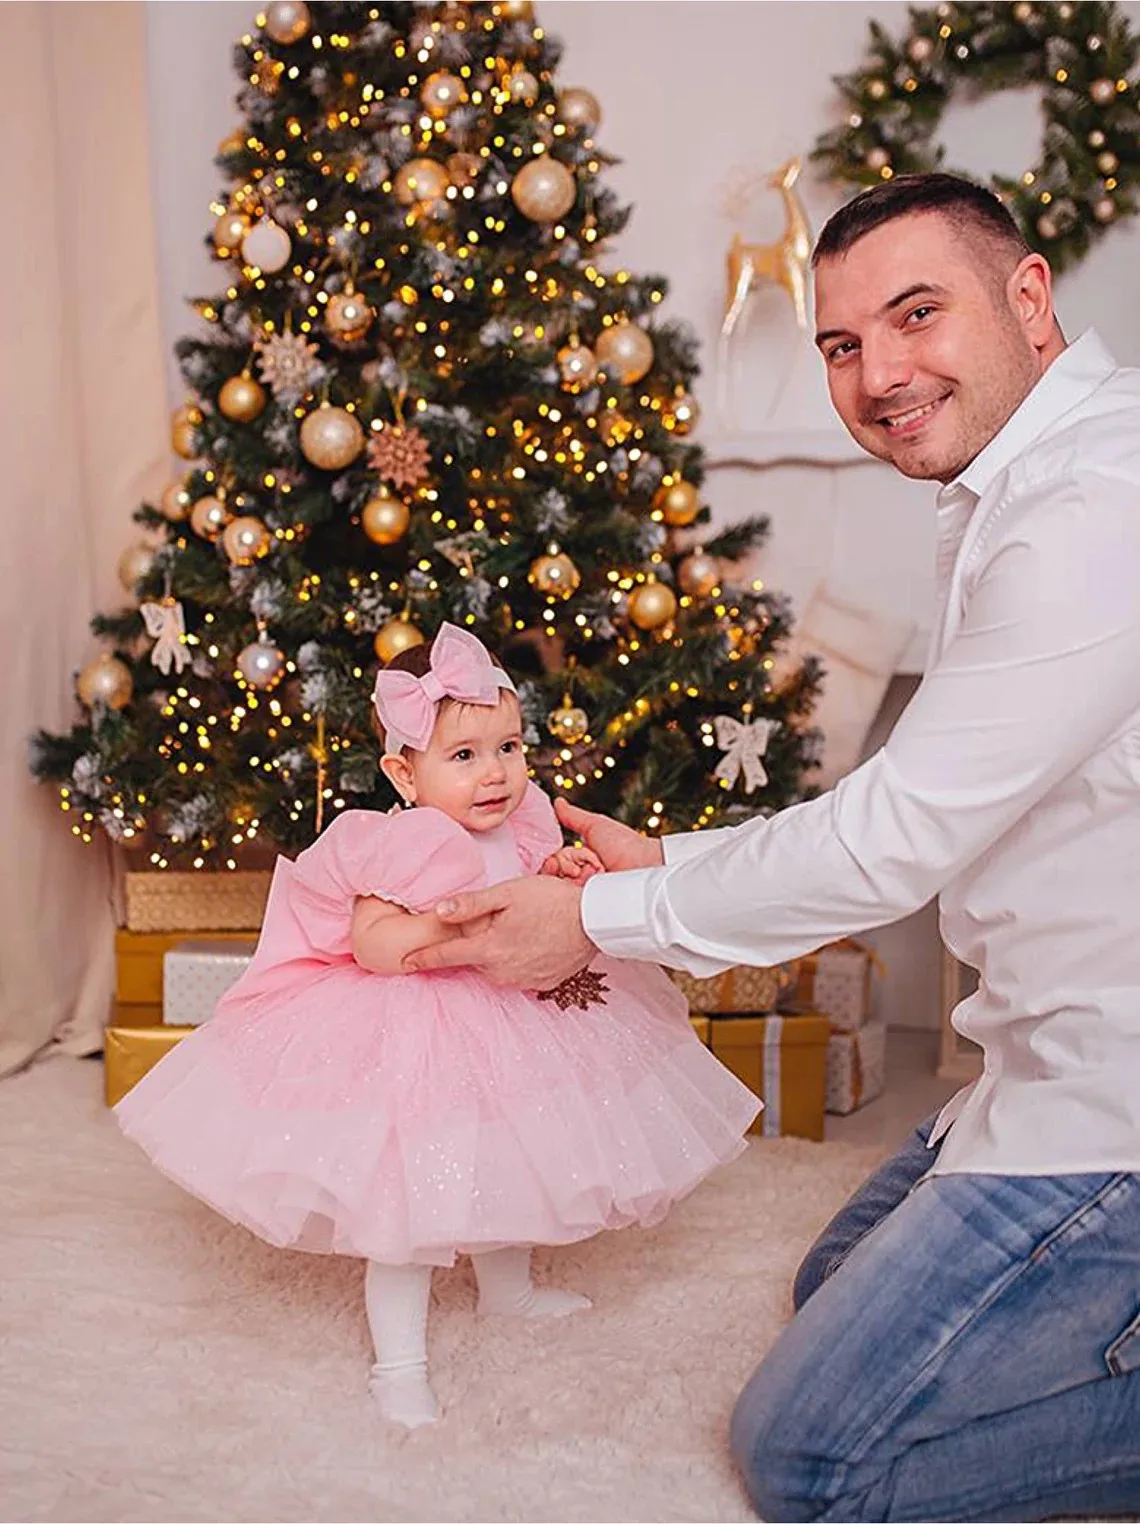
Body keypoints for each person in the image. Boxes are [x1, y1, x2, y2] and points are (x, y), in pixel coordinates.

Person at [404, 176, 1140, 1518]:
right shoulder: (1020, 481)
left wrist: (602, 919)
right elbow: (934, 802)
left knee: (819, 1459)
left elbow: (896, 837)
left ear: (1029, 301)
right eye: (844, 347)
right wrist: (665, 869)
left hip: (1118, 1104)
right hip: (1039, 1054)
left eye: (918, 317)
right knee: (825, 1294)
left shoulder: (1099, 506)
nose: (880, 376)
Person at [115, 622, 759, 1430]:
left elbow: (534, 903)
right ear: (403, 772)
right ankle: (400, 1362)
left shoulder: (523, 827)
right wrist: (449, 938)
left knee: (515, 1155)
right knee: (405, 1203)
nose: (494, 774)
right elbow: (373, 942)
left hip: (516, 1015)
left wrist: (561, 875)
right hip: (417, 1027)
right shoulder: (397, 842)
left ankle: (508, 1288)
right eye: (463, 757)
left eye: (509, 748)